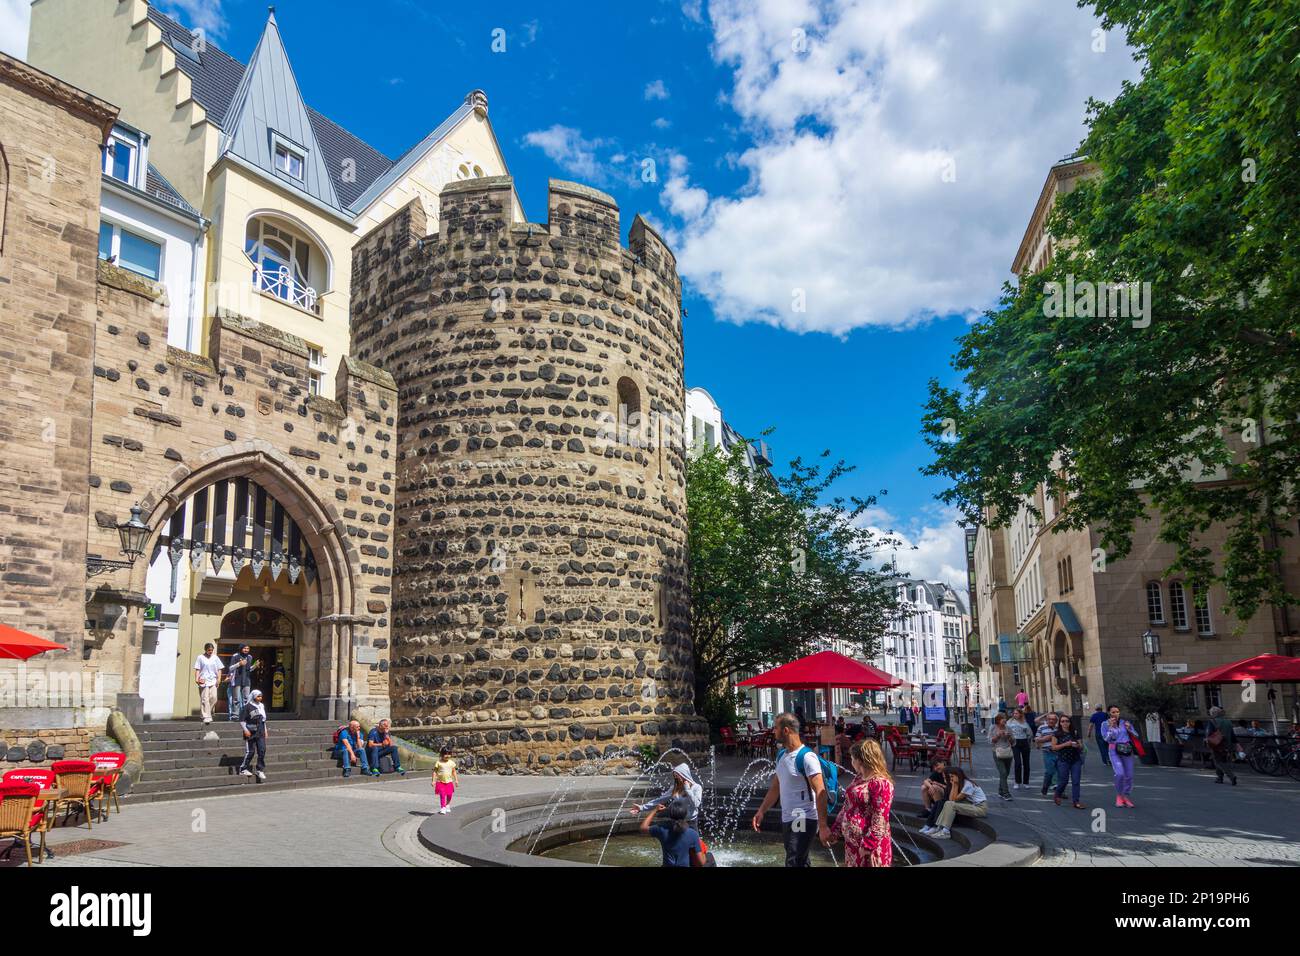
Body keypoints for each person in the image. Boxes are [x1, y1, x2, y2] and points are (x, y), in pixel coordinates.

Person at [752, 711, 831, 867]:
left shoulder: (807, 757)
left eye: (775, 728)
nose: (773, 731)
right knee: (799, 858)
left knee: (794, 859)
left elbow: (820, 792)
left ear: (786, 730)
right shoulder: (782, 755)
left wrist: (822, 826)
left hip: (802, 815)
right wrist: (761, 810)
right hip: (788, 816)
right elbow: (776, 787)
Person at [830, 739, 894, 867]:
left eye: (852, 758)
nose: (851, 761)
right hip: (853, 843)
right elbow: (847, 806)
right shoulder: (859, 778)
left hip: (869, 847)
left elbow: (880, 817)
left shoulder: (881, 784)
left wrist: (869, 844)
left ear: (860, 760)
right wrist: (836, 829)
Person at [922, 767, 987, 839]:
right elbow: (951, 799)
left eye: (952, 776)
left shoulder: (968, 785)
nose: (951, 779)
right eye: (950, 777)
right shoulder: (961, 783)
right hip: (971, 804)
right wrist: (954, 784)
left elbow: (954, 799)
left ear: (958, 775)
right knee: (947, 803)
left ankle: (945, 831)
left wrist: (954, 785)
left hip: (980, 808)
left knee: (951, 804)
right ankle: (939, 827)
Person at [641, 796, 705, 867]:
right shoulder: (692, 834)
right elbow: (701, 863)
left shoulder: (662, 829)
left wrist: (654, 811)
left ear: (670, 814)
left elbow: (643, 828)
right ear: (685, 814)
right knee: (709, 856)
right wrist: (704, 854)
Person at [630, 763, 703, 824]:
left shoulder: (696, 787)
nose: (676, 779)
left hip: (691, 822)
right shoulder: (675, 787)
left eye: (677, 776)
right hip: (676, 821)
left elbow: (696, 804)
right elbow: (660, 800)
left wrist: (687, 789)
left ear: (685, 775)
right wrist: (642, 807)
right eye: (675, 777)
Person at [1101, 705, 1139, 807]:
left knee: (1129, 775)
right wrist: (1111, 728)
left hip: (1127, 750)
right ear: (1109, 713)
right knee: (1119, 773)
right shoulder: (1105, 724)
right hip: (1114, 750)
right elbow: (1106, 739)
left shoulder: (1125, 723)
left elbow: (1136, 735)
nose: (1115, 714)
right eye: (1113, 712)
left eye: (1117, 712)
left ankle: (1125, 796)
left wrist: (1129, 728)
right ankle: (1119, 796)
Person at [1050, 714, 1086, 808]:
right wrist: (1065, 744)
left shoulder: (1074, 732)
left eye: (1067, 721)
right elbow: (1053, 747)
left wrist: (1077, 745)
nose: (1065, 723)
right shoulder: (1056, 734)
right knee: (1064, 781)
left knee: (1076, 781)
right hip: (1063, 760)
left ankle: (1076, 801)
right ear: (1060, 723)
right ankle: (1057, 794)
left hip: (1075, 760)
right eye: (1063, 721)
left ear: (1070, 723)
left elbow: (1081, 746)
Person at [237, 689, 268, 782]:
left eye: (261, 696)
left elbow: (263, 720)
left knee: (262, 750)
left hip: (261, 730)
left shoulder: (261, 706)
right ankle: (243, 769)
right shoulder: (247, 707)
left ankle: (259, 769)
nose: (260, 698)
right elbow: (242, 720)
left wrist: (265, 730)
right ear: (254, 696)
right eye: (258, 696)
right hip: (251, 731)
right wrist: (245, 730)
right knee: (250, 751)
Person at [1206, 706, 1238, 785]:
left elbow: (1208, 733)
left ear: (1213, 714)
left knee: (1218, 762)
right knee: (1222, 760)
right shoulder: (1228, 722)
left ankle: (1231, 776)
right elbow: (1232, 735)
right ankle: (1219, 778)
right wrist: (1236, 744)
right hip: (1227, 744)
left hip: (1217, 744)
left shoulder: (1212, 721)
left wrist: (1207, 740)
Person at [193, 643, 224, 724]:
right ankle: (206, 716)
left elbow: (219, 669)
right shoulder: (200, 657)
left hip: (213, 680)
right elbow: (197, 669)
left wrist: (219, 679)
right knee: (205, 699)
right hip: (203, 680)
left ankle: (207, 713)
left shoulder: (215, 657)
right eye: (209, 650)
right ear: (205, 650)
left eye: (212, 650)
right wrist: (196, 679)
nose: (210, 651)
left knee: (214, 698)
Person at [226, 644, 254, 722]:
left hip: (246, 679)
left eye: (248, 648)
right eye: (245, 648)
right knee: (236, 698)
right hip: (237, 679)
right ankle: (235, 715)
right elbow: (230, 668)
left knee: (246, 698)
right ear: (241, 648)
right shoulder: (235, 656)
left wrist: (254, 666)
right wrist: (239, 664)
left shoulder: (249, 657)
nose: (246, 650)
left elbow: (249, 669)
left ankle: (245, 715)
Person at [989, 712, 1014, 800]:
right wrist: (998, 736)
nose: (1004, 720)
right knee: (1003, 772)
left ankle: (1000, 791)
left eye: (1005, 718)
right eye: (1002, 718)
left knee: (1006, 773)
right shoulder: (993, 728)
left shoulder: (1008, 728)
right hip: (997, 752)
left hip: (1007, 752)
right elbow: (990, 741)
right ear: (998, 720)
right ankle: (1006, 793)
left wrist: (1009, 737)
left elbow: (1013, 742)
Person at [1006, 708, 1032, 789]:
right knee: (1018, 763)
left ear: (1020, 714)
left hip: (1024, 742)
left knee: (1026, 763)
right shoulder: (1009, 722)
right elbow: (1006, 731)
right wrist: (1008, 738)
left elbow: (1029, 733)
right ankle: (1017, 782)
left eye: (1016, 713)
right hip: (1015, 743)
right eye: (1014, 713)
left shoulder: (1024, 723)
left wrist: (1029, 741)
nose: (1015, 715)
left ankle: (1026, 782)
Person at [1036, 711, 1060, 796]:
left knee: (1060, 772)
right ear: (1047, 719)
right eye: (1050, 719)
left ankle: (1059, 791)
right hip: (1048, 752)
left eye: (1053, 719)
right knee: (1049, 771)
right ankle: (1046, 786)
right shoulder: (1042, 728)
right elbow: (1037, 739)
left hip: (1060, 753)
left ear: (1056, 720)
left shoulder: (1059, 728)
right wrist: (1047, 738)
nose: (1051, 721)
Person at [432, 748, 458, 813]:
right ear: (441, 754)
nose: (447, 755)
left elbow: (454, 771)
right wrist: (433, 781)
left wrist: (456, 780)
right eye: (445, 754)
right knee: (442, 795)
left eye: (449, 754)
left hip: (449, 781)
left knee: (449, 794)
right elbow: (435, 772)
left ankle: (447, 805)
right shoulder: (438, 762)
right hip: (440, 782)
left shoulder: (451, 763)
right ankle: (443, 807)